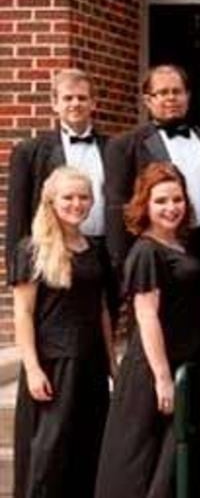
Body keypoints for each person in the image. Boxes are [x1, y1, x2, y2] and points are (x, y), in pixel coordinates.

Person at [95, 162, 200, 498]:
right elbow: (146, 316)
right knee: (141, 461)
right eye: (161, 201)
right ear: (144, 205)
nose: (171, 208)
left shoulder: (180, 246)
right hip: (153, 368)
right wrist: (162, 377)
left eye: (177, 200)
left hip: (182, 361)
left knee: (170, 457)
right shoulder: (146, 251)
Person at [9, 166, 112, 497]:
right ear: (51, 200)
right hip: (53, 364)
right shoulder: (32, 248)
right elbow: (23, 313)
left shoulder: (94, 248)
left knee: (86, 447)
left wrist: (112, 363)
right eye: (68, 197)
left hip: (91, 362)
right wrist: (33, 368)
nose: (77, 204)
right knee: (49, 454)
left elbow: (101, 311)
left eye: (84, 197)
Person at [105, 64, 200, 265]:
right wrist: (122, 264)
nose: (171, 98)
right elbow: (116, 209)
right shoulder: (124, 146)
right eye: (162, 92)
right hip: (156, 250)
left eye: (177, 92)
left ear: (187, 96)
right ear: (148, 100)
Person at [5, 69, 110, 280]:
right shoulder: (29, 152)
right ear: (55, 104)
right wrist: (17, 273)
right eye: (67, 98)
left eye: (82, 98)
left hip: (105, 252)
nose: (75, 103)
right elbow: (18, 218)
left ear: (93, 103)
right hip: (54, 251)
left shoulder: (114, 149)